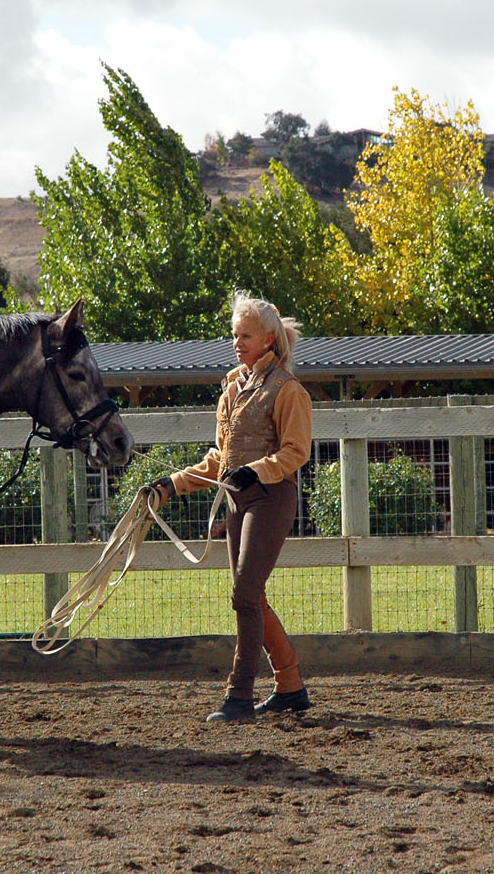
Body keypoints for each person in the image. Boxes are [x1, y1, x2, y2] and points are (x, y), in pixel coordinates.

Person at [150, 293, 314, 722]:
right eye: (234, 336)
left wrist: (256, 470)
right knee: (252, 595)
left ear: (268, 340)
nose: (237, 343)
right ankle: (291, 684)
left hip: (271, 498)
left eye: (245, 336)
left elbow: (296, 453)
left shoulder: (288, 391)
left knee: (243, 594)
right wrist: (172, 485)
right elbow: (219, 459)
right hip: (237, 501)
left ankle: (239, 695)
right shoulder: (231, 388)